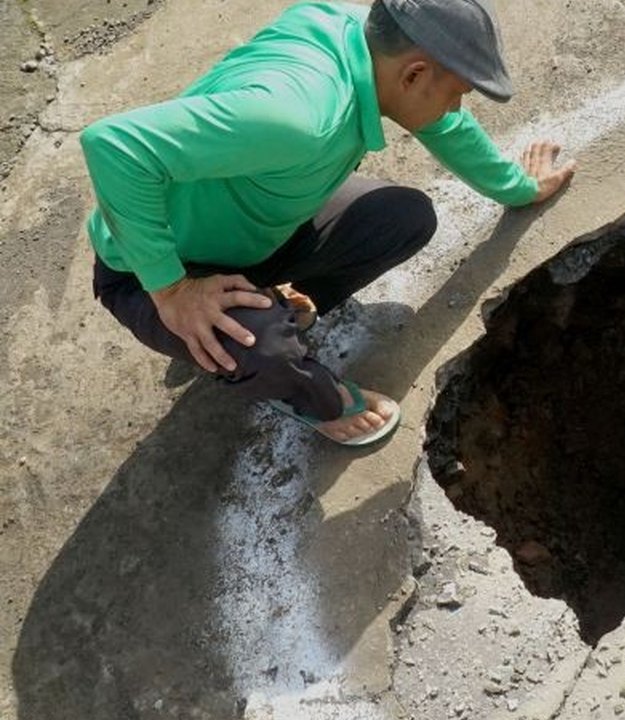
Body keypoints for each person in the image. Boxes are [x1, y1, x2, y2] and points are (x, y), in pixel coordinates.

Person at [81, 0, 576, 445]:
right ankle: (301, 392)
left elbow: (442, 121)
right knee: (264, 349)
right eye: (457, 92)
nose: (456, 106)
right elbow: (114, 147)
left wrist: (518, 187)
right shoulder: (298, 118)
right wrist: (171, 291)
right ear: (414, 75)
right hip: (152, 268)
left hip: (259, 228)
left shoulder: (361, 29)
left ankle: (285, 297)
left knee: (405, 218)